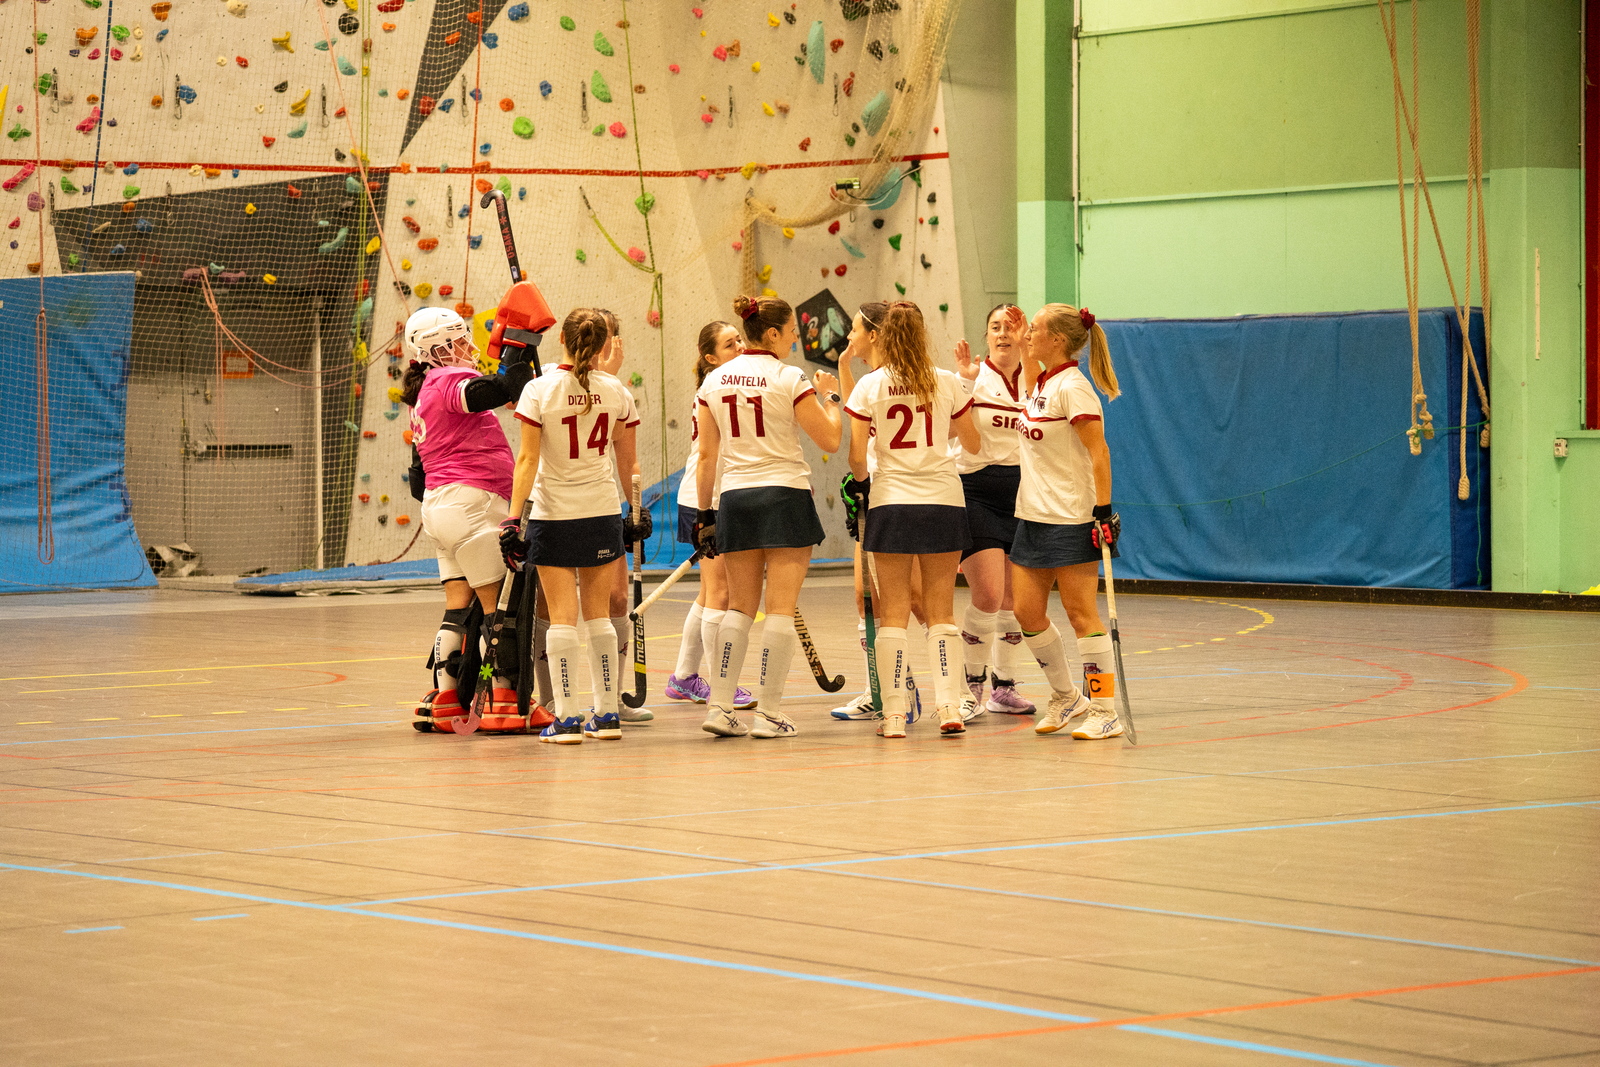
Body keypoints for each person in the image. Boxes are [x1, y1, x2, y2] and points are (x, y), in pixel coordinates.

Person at [693, 294, 842, 739]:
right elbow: (830, 440)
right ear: (772, 334)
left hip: (735, 498)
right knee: (779, 609)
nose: (795, 339)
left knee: (739, 608)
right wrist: (831, 398)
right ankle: (770, 713)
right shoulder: (789, 376)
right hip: (783, 495)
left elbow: (706, 456)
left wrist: (705, 514)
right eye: (792, 332)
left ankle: (720, 707)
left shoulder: (713, 381)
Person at [503, 308, 640, 744]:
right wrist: (636, 512)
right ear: (603, 345)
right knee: (599, 615)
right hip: (601, 512)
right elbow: (628, 462)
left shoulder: (539, 390)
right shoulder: (616, 390)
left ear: (561, 338)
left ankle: (566, 720)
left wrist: (512, 518)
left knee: (562, 617)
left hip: (554, 515)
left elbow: (527, 460)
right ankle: (607, 715)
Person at [844, 300, 981, 737]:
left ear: (882, 336)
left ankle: (894, 715)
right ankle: (949, 707)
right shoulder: (947, 382)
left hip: (891, 503)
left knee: (894, 614)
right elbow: (974, 444)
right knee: (942, 612)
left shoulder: (870, 385)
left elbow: (856, 455)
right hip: (943, 501)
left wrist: (861, 484)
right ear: (922, 335)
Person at [401, 306, 533, 731]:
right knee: (498, 608)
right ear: (436, 349)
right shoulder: (445, 381)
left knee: (457, 609)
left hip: (440, 507)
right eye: (458, 341)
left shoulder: (423, 391)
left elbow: (417, 477)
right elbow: (499, 389)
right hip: (471, 501)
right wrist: (519, 344)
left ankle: (446, 698)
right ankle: (500, 697)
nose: (467, 347)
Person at [1010, 303, 1124, 740]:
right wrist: (1022, 343)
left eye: (1035, 329)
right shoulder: (1043, 382)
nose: (1028, 334)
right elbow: (1028, 373)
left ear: (1057, 340)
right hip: (1032, 516)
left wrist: (1103, 511)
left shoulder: (1074, 388)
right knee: (1026, 613)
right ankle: (1066, 696)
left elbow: (1099, 451)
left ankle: (1104, 710)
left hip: (1071, 517)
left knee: (1080, 615)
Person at [831, 302, 925, 722]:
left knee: (914, 600)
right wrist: (842, 367)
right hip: (876, 496)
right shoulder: (871, 381)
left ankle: (954, 688)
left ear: (873, 334)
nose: (849, 336)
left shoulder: (897, 380)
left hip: (897, 496)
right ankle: (885, 688)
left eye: (854, 329)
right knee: (865, 597)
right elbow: (859, 415)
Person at [666, 320, 757, 711]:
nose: (740, 347)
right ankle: (722, 685)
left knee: (709, 593)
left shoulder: (730, 384)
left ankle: (684, 677)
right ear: (710, 357)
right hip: (706, 499)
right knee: (722, 593)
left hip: (721, 496)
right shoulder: (718, 388)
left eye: (740, 340)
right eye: (729, 344)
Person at [951, 304, 1035, 721]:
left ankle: (1004, 687)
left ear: (1025, 334)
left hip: (1023, 494)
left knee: (1014, 601)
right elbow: (949, 430)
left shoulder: (1037, 380)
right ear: (986, 336)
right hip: (976, 491)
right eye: (995, 327)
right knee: (986, 595)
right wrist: (966, 385)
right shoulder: (970, 378)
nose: (1003, 334)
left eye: (1011, 327)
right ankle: (970, 687)